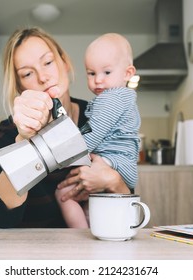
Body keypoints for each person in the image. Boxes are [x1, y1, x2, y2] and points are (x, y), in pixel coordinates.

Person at [0, 27, 131, 228]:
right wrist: (24, 140)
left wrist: (114, 181)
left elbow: (129, 212)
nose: (43, 77)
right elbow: (0, 217)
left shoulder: (101, 117)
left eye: (48, 62)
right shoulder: (8, 133)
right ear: (20, 87)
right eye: (27, 73)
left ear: (65, 62)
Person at [55, 33, 141, 228]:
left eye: (107, 72)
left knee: (63, 194)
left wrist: (64, 155)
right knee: (91, 203)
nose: (98, 80)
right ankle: (92, 229)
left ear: (128, 73)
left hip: (113, 162)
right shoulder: (123, 97)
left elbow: (93, 135)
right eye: (91, 73)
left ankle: (80, 236)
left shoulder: (111, 99)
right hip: (121, 163)